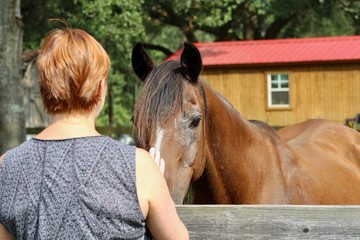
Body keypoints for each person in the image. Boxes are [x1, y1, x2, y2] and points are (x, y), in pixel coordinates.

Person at [0, 26, 188, 240]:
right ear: (100, 89)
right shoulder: (139, 167)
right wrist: (158, 186)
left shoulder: (6, 167)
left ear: (43, 90)